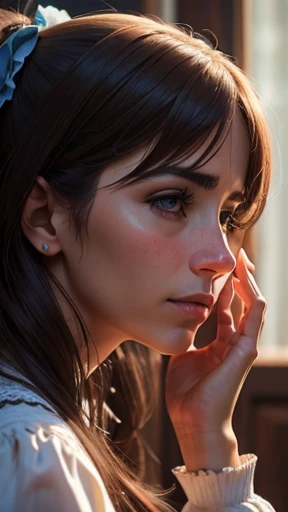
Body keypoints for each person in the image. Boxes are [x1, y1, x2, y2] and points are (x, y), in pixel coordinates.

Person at [0, 1, 276, 511]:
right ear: (43, 216)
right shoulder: (32, 456)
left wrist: (207, 441)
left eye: (228, 215)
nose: (220, 257)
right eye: (171, 201)